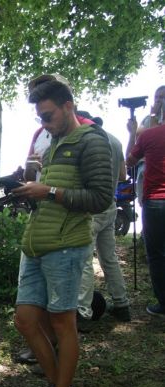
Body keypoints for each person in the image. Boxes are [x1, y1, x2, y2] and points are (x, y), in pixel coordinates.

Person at [12, 80, 113, 387]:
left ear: (68, 106)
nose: (44, 123)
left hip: (67, 245)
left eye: (48, 115)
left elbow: (101, 198)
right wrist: (33, 184)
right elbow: (54, 191)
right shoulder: (54, 140)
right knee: (25, 319)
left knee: (62, 322)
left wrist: (49, 191)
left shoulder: (92, 141)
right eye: (40, 118)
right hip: (38, 243)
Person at [76, 112, 131, 325]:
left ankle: (83, 312)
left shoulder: (87, 140)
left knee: (84, 259)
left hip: (92, 208)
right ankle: (122, 304)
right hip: (110, 206)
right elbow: (123, 176)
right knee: (109, 258)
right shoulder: (115, 141)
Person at [127, 103, 165, 317]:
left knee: (157, 254)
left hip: (156, 200)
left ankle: (164, 303)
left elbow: (130, 160)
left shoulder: (149, 134)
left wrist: (134, 133)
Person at [126, 85, 164, 206]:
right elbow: (130, 157)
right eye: (156, 97)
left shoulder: (151, 119)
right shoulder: (146, 120)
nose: (158, 101)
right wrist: (132, 133)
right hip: (148, 178)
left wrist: (153, 117)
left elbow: (156, 139)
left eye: (162, 97)